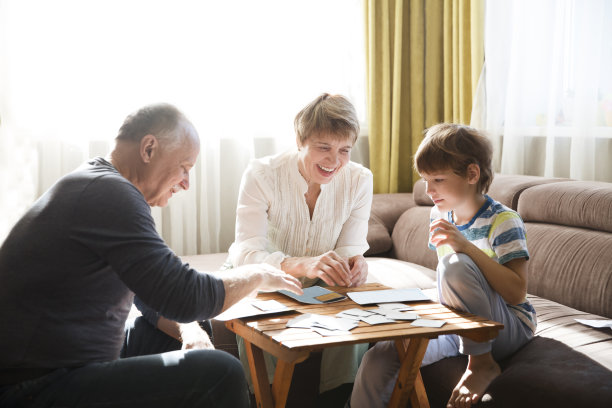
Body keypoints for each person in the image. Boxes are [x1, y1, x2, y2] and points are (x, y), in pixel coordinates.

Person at [0, 103, 303, 408]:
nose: (186, 183)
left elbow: (151, 292)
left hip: (62, 367)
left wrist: (190, 331)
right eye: (184, 167)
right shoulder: (111, 195)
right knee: (222, 373)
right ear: (148, 149)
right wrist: (258, 274)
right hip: (34, 385)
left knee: (186, 330)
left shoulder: (99, 184)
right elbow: (186, 296)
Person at [349, 123, 536, 408]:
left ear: (472, 174)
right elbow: (452, 289)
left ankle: (481, 363)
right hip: (461, 321)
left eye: (437, 179)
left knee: (456, 263)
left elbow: (517, 294)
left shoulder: (503, 221)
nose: (428, 189)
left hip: (506, 325)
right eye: (425, 179)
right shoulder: (440, 214)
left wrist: (466, 247)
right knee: (380, 356)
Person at [226, 93, 373, 401]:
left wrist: (355, 263)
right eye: (324, 147)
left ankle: (340, 397)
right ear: (299, 140)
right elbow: (246, 254)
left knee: (353, 302)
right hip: (261, 273)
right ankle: (262, 398)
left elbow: (349, 247)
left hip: (319, 278)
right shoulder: (261, 174)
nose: (334, 161)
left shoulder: (360, 179)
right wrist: (301, 264)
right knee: (255, 300)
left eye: (344, 150)